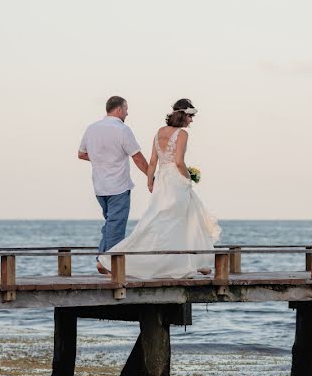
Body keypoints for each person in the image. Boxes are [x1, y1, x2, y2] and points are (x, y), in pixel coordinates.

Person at [98, 99, 221, 279]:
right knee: (179, 220)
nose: (192, 121)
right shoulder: (182, 134)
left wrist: (149, 181)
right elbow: (179, 162)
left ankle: (192, 262)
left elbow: (153, 162)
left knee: (160, 219)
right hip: (175, 181)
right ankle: (188, 262)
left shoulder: (159, 132)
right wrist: (188, 177)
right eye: (191, 117)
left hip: (162, 180)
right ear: (184, 115)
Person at [78, 96, 149, 273]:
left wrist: (101, 160)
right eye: (126, 109)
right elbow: (138, 157)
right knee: (116, 226)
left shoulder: (91, 128)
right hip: (118, 186)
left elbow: (81, 154)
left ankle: (102, 259)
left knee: (110, 224)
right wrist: (151, 177)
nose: (127, 112)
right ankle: (108, 264)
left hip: (99, 187)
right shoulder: (123, 130)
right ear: (118, 109)